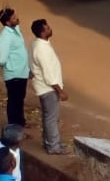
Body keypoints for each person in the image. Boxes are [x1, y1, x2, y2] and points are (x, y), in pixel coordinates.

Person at [29, 19, 69, 155]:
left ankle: (50, 142)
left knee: (49, 117)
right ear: (42, 32)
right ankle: (53, 146)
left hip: (44, 87)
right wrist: (60, 90)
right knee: (51, 118)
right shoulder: (41, 50)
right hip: (48, 89)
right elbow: (48, 74)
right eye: (47, 28)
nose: (50, 29)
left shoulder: (37, 44)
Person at [0, 8, 30, 127]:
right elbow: (2, 58)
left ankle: (20, 122)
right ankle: (14, 125)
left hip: (21, 72)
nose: (17, 18)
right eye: (14, 18)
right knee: (15, 101)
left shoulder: (14, 30)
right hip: (13, 73)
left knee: (19, 100)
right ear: (8, 22)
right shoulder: (5, 36)